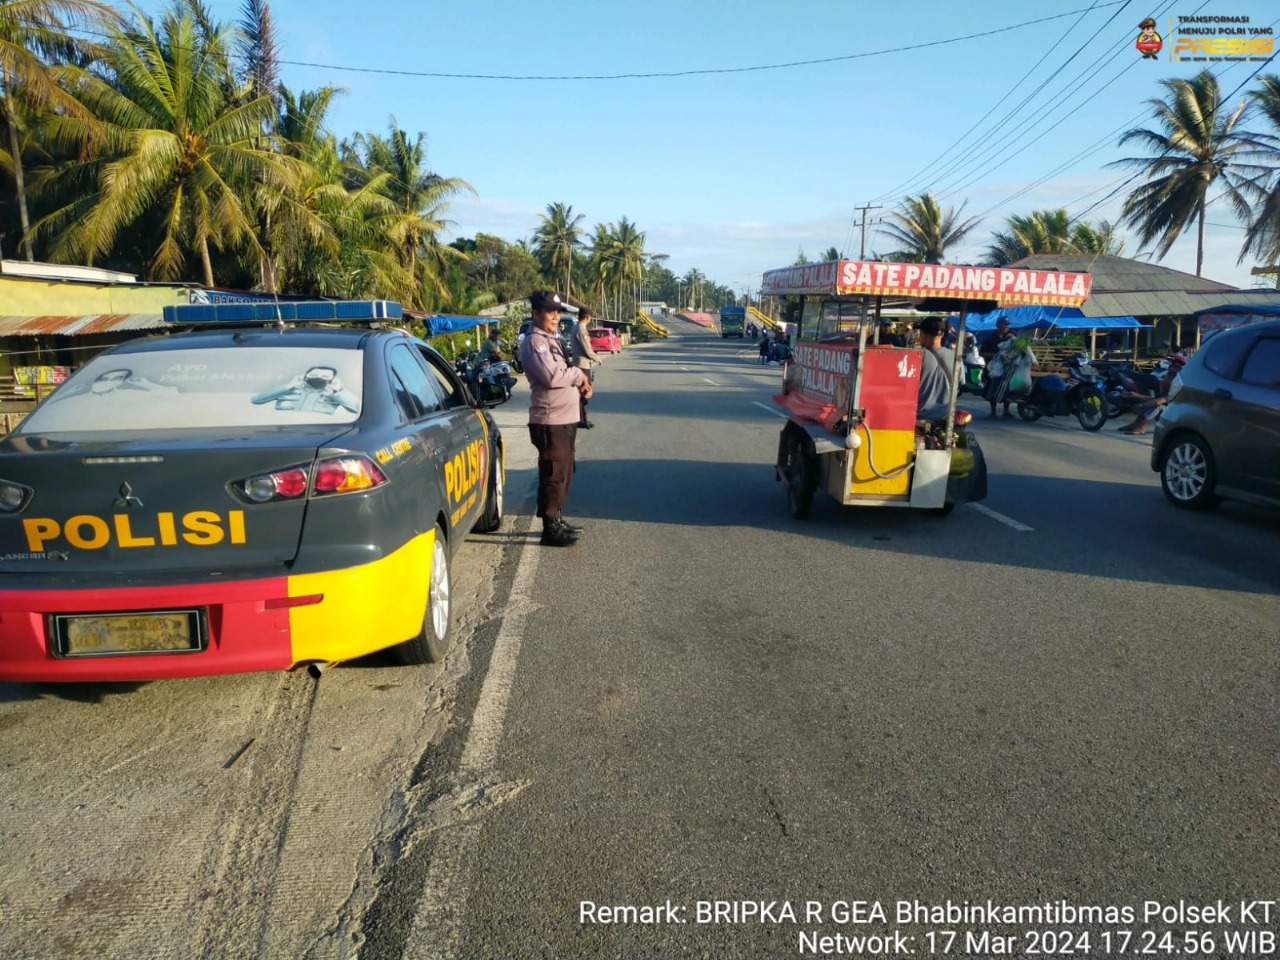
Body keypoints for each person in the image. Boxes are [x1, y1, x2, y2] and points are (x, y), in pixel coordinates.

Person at [520, 290, 591, 547]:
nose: (555, 316)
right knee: (553, 474)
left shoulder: (551, 339)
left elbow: (563, 373)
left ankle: (557, 518)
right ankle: (550, 528)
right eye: (550, 311)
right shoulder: (535, 343)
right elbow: (552, 377)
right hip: (550, 421)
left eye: (558, 311)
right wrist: (577, 374)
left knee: (563, 472)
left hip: (564, 419)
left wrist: (581, 382)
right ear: (536, 313)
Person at [1117, 355, 1185, 435]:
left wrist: (1141, 405)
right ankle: (1135, 424)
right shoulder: (1169, 381)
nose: (1170, 366)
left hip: (1174, 417)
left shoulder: (1176, 386)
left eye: (1173, 365)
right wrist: (1136, 395)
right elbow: (1154, 399)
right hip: (1168, 411)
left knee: (1156, 406)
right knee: (1150, 402)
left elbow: (1159, 402)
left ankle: (1141, 427)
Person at [915, 316, 957, 421]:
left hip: (919, 415)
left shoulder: (917, 356)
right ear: (942, 334)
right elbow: (960, 382)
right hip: (945, 416)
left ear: (923, 334)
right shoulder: (955, 357)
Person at [571, 307, 604, 429]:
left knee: (580, 394)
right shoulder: (581, 329)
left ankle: (581, 419)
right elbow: (587, 349)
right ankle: (580, 420)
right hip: (582, 364)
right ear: (587, 317)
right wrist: (597, 358)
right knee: (584, 393)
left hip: (580, 363)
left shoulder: (576, 327)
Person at [979, 317, 1016, 417]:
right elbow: (982, 352)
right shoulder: (990, 339)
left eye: (1007, 325)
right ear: (998, 326)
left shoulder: (1011, 336)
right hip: (994, 368)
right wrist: (994, 355)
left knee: (1006, 388)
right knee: (992, 388)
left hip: (1007, 367)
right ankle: (993, 411)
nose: (1006, 327)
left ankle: (1006, 411)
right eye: (1004, 324)